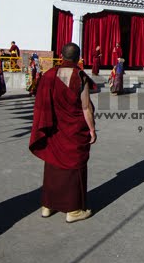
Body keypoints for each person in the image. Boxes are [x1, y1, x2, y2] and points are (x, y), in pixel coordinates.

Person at [30, 43, 97, 223]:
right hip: (73, 129)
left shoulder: (49, 75)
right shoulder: (80, 76)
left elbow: (41, 103)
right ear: (78, 58)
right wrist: (91, 129)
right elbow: (85, 107)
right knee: (74, 166)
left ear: (61, 56)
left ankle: (48, 206)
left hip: (53, 128)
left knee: (53, 165)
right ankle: (73, 210)